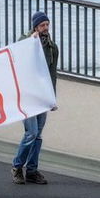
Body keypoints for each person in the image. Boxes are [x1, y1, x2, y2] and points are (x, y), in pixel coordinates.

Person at [11, 11, 58, 185]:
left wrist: (52, 98)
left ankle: (32, 170)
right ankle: (17, 167)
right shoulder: (27, 42)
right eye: (42, 25)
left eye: (47, 24)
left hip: (42, 95)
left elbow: (52, 74)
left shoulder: (52, 47)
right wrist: (31, 40)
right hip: (27, 94)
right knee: (31, 133)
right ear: (35, 27)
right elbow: (17, 51)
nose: (45, 28)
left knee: (38, 135)